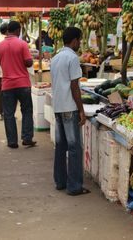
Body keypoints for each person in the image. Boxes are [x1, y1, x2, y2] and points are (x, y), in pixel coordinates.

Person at [50, 27, 89, 196]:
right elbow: (75, 86)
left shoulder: (56, 58)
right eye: (79, 40)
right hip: (70, 108)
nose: (79, 43)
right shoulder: (72, 58)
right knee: (74, 148)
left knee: (60, 146)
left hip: (58, 106)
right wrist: (81, 110)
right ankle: (74, 186)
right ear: (74, 40)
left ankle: (60, 181)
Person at [0, 21, 36, 149]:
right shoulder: (22, 44)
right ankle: (27, 138)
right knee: (27, 110)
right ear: (17, 30)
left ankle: (12, 141)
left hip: (7, 84)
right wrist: (28, 60)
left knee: (9, 114)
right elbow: (28, 63)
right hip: (23, 83)